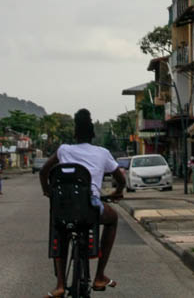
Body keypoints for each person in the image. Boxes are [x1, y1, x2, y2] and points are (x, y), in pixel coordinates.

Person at [40, 109, 126, 297]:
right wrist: (117, 192)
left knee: (59, 230)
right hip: (89, 208)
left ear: (75, 134)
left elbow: (44, 172)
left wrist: (48, 191)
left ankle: (60, 285)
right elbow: (121, 179)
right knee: (112, 219)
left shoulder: (64, 150)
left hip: (63, 207)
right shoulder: (102, 153)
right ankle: (99, 276)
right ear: (93, 134)